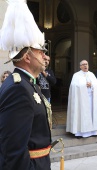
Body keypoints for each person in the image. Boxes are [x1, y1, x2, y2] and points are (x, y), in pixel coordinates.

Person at [0, 1, 51, 169]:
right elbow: (14, 151)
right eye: (40, 52)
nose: (45, 56)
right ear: (27, 57)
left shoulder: (27, 83)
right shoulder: (18, 89)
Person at [66, 60, 97, 138]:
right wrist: (83, 85)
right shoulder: (76, 75)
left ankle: (93, 132)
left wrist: (92, 84)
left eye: (86, 64)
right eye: (83, 64)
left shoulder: (91, 74)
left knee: (92, 114)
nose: (85, 66)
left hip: (91, 99)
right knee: (80, 114)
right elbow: (73, 86)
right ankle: (79, 133)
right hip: (81, 100)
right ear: (80, 66)